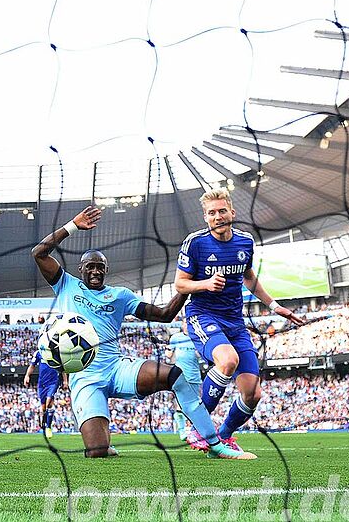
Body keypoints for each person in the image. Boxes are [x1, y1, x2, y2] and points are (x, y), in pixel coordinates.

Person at [32, 206, 255, 459]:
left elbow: (165, 315)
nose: (95, 271)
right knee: (97, 451)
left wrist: (191, 285)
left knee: (174, 375)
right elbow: (39, 253)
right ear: (80, 269)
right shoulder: (65, 284)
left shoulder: (120, 296)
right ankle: (103, 443)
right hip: (85, 379)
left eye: (100, 267)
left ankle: (214, 444)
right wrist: (72, 226)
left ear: (106, 270)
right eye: (90, 267)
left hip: (117, 368)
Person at [175, 188, 304, 451]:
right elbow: (180, 284)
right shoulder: (195, 243)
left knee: (253, 393)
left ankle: (223, 436)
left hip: (235, 322)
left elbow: (248, 277)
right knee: (227, 360)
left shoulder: (245, 242)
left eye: (222, 211)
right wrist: (205, 284)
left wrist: (274, 305)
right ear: (205, 217)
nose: (218, 217)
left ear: (232, 213)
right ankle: (198, 428)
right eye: (212, 213)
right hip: (203, 315)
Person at [165, 325, 202, 441]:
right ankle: (182, 431)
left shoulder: (197, 337)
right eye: (185, 322)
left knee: (194, 406)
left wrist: (199, 353)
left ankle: (194, 431)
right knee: (179, 405)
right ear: (182, 325)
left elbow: (201, 356)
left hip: (194, 376)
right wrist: (167, 349)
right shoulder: (176, 338)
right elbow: (168, 355)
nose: (187, 325)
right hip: (179, 375)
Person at [23, 349, 63, 438]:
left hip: (53, 382)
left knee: (49, 403)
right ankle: (44, 423)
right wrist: (27, 375)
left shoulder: (57, 352)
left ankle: (48, 427)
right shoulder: (39, 353)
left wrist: (65, 381)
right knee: (43, 407)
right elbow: (32, 365)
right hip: (42, 383)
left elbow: (62, 368)